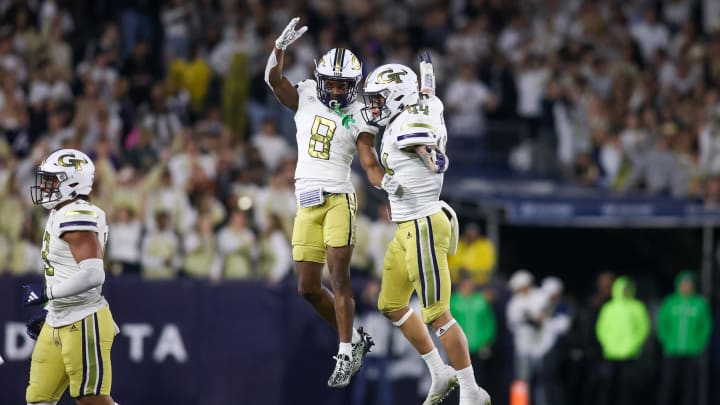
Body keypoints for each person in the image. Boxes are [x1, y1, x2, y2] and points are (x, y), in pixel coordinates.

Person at [265, 17, 392, 388]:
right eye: (331, 83)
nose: (336, 91)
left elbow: (368, 162)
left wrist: (388, 182)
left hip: (339, 198)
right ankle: (354, 339)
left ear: (354, 87)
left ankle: (344, 350)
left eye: (343, 85)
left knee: (338, 274)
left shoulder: (359, 115)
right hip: (306, 201)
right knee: (306, 287)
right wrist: (279, 48)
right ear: (320, 81)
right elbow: (274, 80)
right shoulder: (305, 94)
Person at [362, 59, 491, 405]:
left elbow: (422, 140)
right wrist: (427, 75)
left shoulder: (410, 122)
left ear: (398, 97)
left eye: (378, 98)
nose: (373, 105)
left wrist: (429, 155)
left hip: (423, 224)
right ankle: (439, 370)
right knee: (390, 304)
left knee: (437, 313)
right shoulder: (425, 102)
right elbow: (430, 97)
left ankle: (470, 390)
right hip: (406, 226)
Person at [22, 148, 120, 405]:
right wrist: (50, 306)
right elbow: (66, 271)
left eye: (51, 180)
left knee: (92, 400)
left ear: (73, 182)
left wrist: (47, 294)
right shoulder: (60, 212)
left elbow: (93, 274)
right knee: (38, 399)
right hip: (58, 318)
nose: (44, 186)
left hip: (83, 317)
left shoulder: (76, 214)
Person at [656, 271, 712, 405]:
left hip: (692, 351)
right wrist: (666, 340)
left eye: (689, 284)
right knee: (668, 385)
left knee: (690, 386)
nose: (686, 287)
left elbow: (706, 326)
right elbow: (662, 323)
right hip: (672, 350)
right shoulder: (670, 302)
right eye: (684, 284)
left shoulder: (699, 304)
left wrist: (699, 343)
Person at [595, 276, 650, 405]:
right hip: (611, 353)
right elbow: (601, 329)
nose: (625, 292)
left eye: (627, 289)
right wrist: (608, 344)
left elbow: (643, 329)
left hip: (630, 354)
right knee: (608, 387)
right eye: (623, 289)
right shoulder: (609, 308)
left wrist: (633, 345)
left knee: (628, 388)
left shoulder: (637, 307)